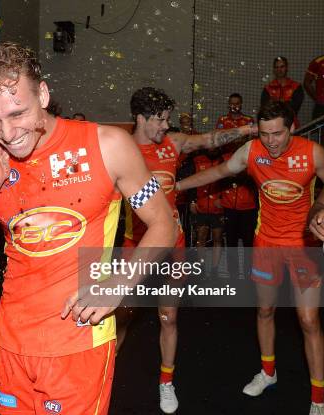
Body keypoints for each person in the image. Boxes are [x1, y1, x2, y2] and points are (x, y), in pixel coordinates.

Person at [0, 42, 178, 415]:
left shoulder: (108, 145)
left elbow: (164, 224)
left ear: (44, 94)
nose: (7, 131)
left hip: (78, 343)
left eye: (18, 113)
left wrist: (119, 284)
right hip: (11, 342)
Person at [176, 101, 324, 415]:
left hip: (303, 246)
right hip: (266, 244)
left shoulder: (313, 153)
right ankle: (268, 373)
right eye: (265, 133)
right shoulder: (251, 151)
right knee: (264, 310)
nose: (271, 141)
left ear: (292, 127)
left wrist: (318, 208)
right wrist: (175, 186)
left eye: (277, 133)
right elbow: (217, 171)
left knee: (309, 320)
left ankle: (318, 399)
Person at [123, 86, 256, 413]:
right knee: (120, 314)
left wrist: (246, 130)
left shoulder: (173, 144)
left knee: (168, 316)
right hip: (135, 244)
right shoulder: (122, 150)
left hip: (173, 244)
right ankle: (103, 367)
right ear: (140, 118)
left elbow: (209, 141)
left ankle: (166, 381)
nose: (166, 125)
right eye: (160, 119)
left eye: (168, 118)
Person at [215, 94, 257, 279]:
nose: (234, 107)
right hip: (229, 201)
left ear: (241, 104)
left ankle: (248, 274)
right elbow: (217, 141)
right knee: (230, 240)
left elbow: (253, 141)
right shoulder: (222, 121)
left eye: (237, 104)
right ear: (228, 104)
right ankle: (232, 275)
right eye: (231, 104)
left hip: (248, 204)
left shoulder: (248, 121)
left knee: (248, 241)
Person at [190, 149, 224, 278]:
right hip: (201, 207)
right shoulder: (197, 161)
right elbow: (191, 181)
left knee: (217, 239)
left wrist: (222, 199)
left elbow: (226, 181)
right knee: (201, 238)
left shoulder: (223, 160)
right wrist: (192, 201)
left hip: (218, 208)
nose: (213, 148)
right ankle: (201, 267)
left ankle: (215, 269)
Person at [261, 56, 304, 129]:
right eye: (276, 67)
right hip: (272, 126)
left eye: (282, 67)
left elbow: (294, 107)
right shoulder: (268, 88)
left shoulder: (296, 87)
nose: (279, 70)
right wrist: (286, 102)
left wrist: (275, 102)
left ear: (286, 68)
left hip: (291, 126)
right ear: (274, 69)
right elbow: (265, 108)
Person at [304, 36, 324, 149]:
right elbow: (307, 83)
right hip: (323, 106)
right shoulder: (318, 62)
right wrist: (318, 98)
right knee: (323, 134)